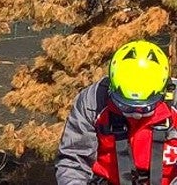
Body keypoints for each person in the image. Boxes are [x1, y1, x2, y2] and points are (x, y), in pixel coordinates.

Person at [56, 40, 177, 185]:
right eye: (126, 107)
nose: (136, 115)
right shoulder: (94, 101)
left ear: (165, 92)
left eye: (144, 109)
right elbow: (74, 160)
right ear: (111, 89)